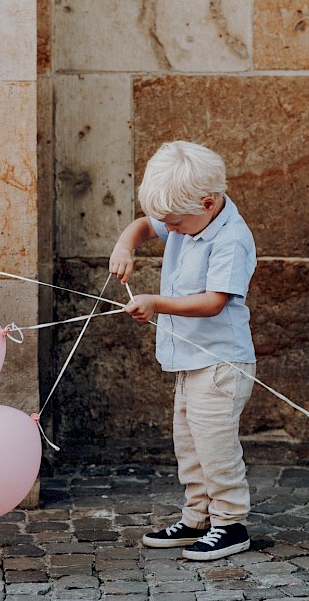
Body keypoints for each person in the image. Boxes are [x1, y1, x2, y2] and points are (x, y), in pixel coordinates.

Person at [109, 141, 257, 561]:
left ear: (207, 203)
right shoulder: (185, 214)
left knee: (215, 445)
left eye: (174, 223)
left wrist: (156, 303)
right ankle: (197, 517)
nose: (168, 229)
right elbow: (142, 225)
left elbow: (213, 302)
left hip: (220, 363)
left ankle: (230, 523)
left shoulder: (231, 239)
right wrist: (126, 245)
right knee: (188, 443)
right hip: (191, 361)